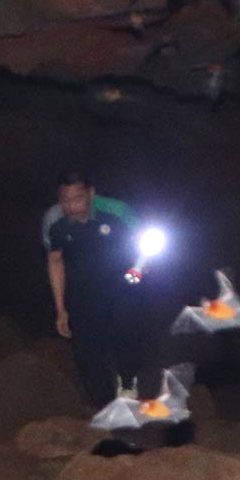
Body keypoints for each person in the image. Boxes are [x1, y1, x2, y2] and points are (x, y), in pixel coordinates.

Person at [42, 171, 147, 406]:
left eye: (77, 198)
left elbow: (146, 244)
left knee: (127, 330)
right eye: (65, 200)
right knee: (86, 346)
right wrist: (61, 309)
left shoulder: (117, 212)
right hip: (85, 286)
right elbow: (55, 261)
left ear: (91, 193)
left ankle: (128, 381)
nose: (71, 205)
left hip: (123, 280)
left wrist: (139, 269)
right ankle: (103, 403)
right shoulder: (55, 222)